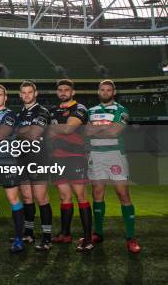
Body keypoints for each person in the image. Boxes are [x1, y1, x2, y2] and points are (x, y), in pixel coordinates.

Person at [86, 79, 140, 253]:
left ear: (113, 92)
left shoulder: (121, 110)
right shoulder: (91, 111)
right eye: (102, 89)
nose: (105, 92)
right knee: (97, 193)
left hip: (115, 154)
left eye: (108, 90)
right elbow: (86, 132)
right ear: (98, 92)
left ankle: (130, 237)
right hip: (95, 154)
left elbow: (115, 132)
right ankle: (98, 233)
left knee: (122, 193)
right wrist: (103, 129)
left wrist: (96, 129)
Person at [47, 79, 93, 251]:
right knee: (64, 197)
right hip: (57, 158)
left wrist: (54, 129)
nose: (63, 92)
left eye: (67, 89)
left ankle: (88, 238)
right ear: (57, 92)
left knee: (81, 196)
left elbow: (67, 129)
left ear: (72, 92)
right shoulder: (52, 111)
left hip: (75, 157)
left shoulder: (79, 109)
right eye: (60, 90)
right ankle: (65, 234)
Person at [0, 84, 26, 253]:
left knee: (13, 200)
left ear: (5, 98)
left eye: (0, 95)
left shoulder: (10, 115)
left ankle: (18, 238)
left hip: (7, 164)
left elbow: (0, 135)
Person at [15, 81, 53, 251]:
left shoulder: (42, 111)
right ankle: (29, 233)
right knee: (27, 197)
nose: (27, 95)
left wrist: (21, 132)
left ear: (35, 93)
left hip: (38, 159)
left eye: (30, 92)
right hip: (22, 159)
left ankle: (47, 238)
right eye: (24, 92)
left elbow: (34, 134)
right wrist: (24, 131)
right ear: (20, 95)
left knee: (41, 198)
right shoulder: (20, 113)